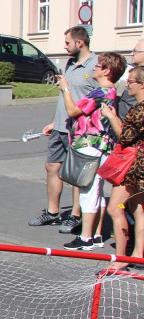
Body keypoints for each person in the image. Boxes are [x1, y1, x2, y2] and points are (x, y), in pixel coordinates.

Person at [29, 26, 97, 235]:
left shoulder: (95, 66)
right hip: (60, 126)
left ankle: (76, 216)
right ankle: (52, 212)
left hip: (78, 130)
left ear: (80, 43)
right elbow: (63, 97)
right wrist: (53, 121)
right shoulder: (69, 64)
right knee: (52, 167)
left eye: (67, 43)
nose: (64, 46)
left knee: (76, 174)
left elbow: (95, 99)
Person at [59, 52, 124, 251]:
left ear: (107, 71)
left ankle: (85, 237)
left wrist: (66, 89)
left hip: (90, 145)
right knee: (96, 190)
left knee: (88, 190)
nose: (94, 68)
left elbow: (72, 111)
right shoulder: (109, 92)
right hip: (102, 146)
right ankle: (96, 234)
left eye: (98, 66)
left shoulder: (101, 92)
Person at [103, 65, 144, 264]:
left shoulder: (139, 109)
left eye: (131, 82)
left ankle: (121, 259)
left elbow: (125, 138)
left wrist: (112, 117)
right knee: (138, 208)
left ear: (142, 85)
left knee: (115, 208)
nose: (127, 85)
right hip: (141, 167)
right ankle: (138, 253)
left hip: (133, 167)